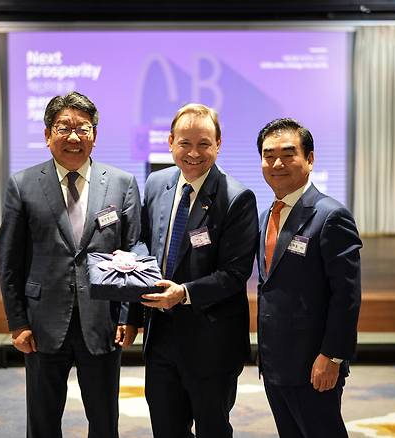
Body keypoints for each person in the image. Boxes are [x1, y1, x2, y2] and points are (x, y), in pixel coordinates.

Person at [0, 91, 142, 438]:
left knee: (105, 421)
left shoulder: (122, 184)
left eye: (83, 128)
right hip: (42, 322)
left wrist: (128, 316)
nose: (74, 137)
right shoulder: (23, 184)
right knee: (43, 421)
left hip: (103, 321)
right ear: (48, 135)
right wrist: (17, 321)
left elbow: (133, 250)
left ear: (95, 135)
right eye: (64, 128)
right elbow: (10, 260)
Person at [140, 103, 258, 438]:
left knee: (212, 431)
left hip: (211, 344)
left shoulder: (237, 198)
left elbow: (234, 275)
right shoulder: (155, 183)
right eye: (185, 143)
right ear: (170, 142)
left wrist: (184, 294)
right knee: (166, 429)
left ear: (218, 144)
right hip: (160, 338)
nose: (194, 153)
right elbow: (144, 245)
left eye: (204, 143)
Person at [256, 118, 361, 438]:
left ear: (310, 159)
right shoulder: (266, 215)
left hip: (314, 363)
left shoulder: (330, 216)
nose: (277, 163)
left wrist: (332, 356)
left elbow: (347, 296)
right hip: (276, 362)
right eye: (268, 154)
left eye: (288, 154)